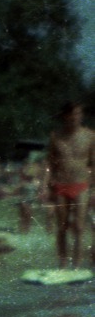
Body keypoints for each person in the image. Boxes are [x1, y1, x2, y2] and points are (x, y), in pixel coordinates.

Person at [46, 102, 94, 268]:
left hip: (81, 184)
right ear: (65, 116)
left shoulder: (90, 136)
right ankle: (62, 263)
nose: (76, 118)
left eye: (79, 114)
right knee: (62, 227)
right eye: (73, 114)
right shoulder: (56, 136)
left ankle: (77, 265)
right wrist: (45, 185)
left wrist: (94, 190)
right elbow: (50, 163)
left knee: (80, 227)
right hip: (60, 184)